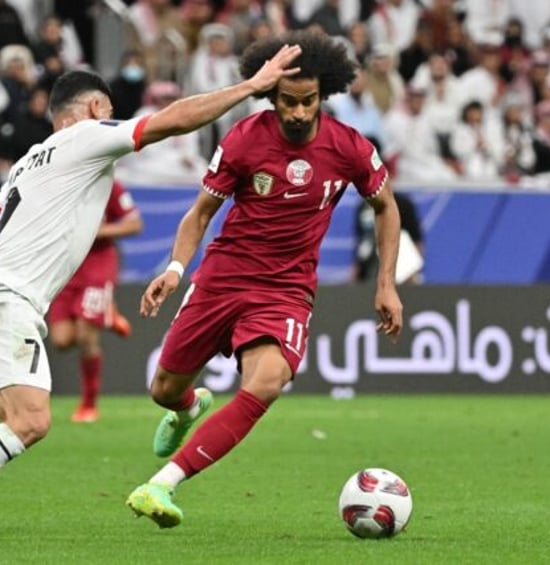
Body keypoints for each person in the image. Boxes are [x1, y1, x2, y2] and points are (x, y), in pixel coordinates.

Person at [0, 45, 303, 548]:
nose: (114, 118)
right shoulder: (88, 136)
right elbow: (172, 120)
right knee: (30, 421)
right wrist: (252, 88)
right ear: (95, 109)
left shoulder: (26, 164)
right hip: (7, 300)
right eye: (109, 110)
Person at [125, 30, 403, 529]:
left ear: (325, 96)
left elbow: (386, 207)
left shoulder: (350, 147)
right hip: (222, 279)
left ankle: (161, 484)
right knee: (164, 390)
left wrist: (387, 282)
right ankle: (187, 408)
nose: (298, 113)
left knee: (268, 382)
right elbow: (200, 213)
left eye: (308, 102)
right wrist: (173, 268)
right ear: (272, 96)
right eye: (288, 102)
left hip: (285, 291)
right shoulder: (244, 139)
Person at [48, 180, 143, 423]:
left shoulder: (109, 185)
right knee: (61, 341)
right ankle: (108, 314)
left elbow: (135, 224)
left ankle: (89, 404)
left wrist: (96, 231)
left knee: (85, 334)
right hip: (67, 266)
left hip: (98, 265)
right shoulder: (60, 183)